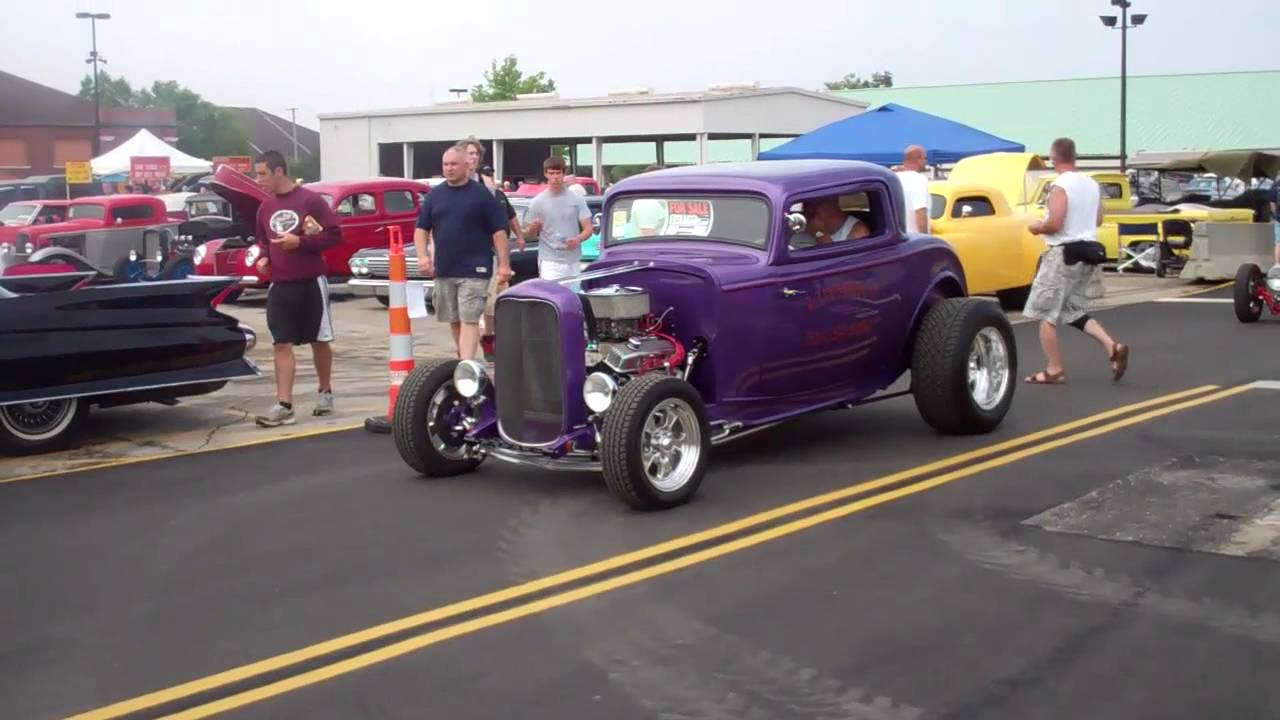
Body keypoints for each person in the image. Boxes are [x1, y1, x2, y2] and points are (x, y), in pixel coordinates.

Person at [1023, 137, 1129, 385]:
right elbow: (1099, 219)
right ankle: (1112, 346)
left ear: (1053, 157)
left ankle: (1054, 369)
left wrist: (1037, 227)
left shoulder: (1060, 185)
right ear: (1074, 156)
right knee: (1074, 311)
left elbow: (1055, 222)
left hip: (1062, 254)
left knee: (1045, 314)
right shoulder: (1091, 184)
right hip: (1087, 254)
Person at [250, 150, 343, 427]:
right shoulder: (265, 208)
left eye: (262, 173)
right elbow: (263, 241)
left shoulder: (309, 200)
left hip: (311, 281)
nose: (258, 179)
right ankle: (284, 403)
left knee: (319, 339)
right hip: (281, 284)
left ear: (279, 171)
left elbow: (335, 234)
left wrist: (300, 243)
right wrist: (264, 257)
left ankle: (325, 391)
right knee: (281, 342)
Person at [415, 145, 512, 360]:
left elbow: (498, 231)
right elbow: (421, 229)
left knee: (470, 318)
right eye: (445, 164)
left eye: (453, 164)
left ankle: (466, 364)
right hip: (445, 268)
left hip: (475, 269)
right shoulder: (435, 195)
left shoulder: (482, 195)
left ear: (466, 166)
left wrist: (504, 265)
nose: (449, 168)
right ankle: (463, 359)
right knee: (454, 319)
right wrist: (423, 256)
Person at [455, 138, 524, 350]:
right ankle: (463, 354)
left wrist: (507, 255)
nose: (474, 157)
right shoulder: (452, 184)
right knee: (457, 311)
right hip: (458, 253)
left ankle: (486, 339)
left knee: (488, 301)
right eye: (469, 153)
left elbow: (499, 220)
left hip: (486, 253)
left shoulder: (488, 186)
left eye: (476, 153)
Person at [524, 156, 592, 280]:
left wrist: (578, 239)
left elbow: (588, 229)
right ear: (546, 174)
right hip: (550, 261)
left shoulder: (577, 199)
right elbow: (528, 235)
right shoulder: (537, 202)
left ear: (564, 174)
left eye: (558, 173)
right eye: (551, 173)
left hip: (573, 260)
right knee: (552, 297)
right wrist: (534, 228)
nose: (555, 177)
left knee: (573, 297)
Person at [802, 196, 870, 245]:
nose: (808, 209)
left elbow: (843, 262)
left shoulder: (858, 232)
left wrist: (818, 234)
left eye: (813, 204)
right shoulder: (801, 225)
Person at [895, 145, 930, 234]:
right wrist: (925, 240)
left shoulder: (896, 178)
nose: (927, 161)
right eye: (926, 158)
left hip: (899, 238)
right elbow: (920, 211)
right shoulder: (919, 180)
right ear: (919, 158)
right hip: (915, 239)